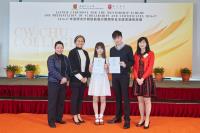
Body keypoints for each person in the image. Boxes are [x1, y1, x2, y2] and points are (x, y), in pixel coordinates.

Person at [108, 30, 134, 129]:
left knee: (125, 98)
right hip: (115, 76)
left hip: (124, 76)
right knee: (118, 97)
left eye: (118, 37)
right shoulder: (112, 50)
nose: (117, 40)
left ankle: (127, 119)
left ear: (121, 38)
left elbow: (132, 61)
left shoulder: (128, 48)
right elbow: (112, 62)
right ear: (113, 39)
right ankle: (118, 117)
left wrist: (125, 64)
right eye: (115, 38)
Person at [132, 37, 156, 129]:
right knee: (140, 100)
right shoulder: (136, 54)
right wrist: (137, 78)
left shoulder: (151, 53)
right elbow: (134, 68)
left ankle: (147, 119)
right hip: (138, 79)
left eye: (143, 42)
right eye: (140, 42)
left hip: (146, 79)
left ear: (146, 44)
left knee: (147, 100)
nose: (142, 44)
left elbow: (150, 68)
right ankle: (142, 118)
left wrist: (142, 78)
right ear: (138, 44)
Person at [47, 41, 71, 128]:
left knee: (61, 102)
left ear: (63, 48)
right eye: (58, 47)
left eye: (61, 47)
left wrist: (66, 78)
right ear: (55, 48)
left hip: (63, 83)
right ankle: (51, 121)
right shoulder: (51, 58)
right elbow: (52, 71)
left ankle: (58, 118)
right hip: (53, 83)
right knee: (53, 102)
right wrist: (62, 78)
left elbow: (68, 70)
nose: (60, 49)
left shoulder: (65, 58)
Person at [68, 35, 90, 125]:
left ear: (84, 42)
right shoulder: (72, 52)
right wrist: (81, 78)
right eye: (78, 41)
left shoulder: (85, 52)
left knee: (80, 98)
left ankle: (78, 114)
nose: (80, 42)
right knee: (75, 98)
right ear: (75, 42)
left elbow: (88, 66)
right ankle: (74, 115)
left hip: (84, 80)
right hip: (75, 80)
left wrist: (86, 77)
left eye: (82, 41)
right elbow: (72, 67)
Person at [88, 42, 111, 125]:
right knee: (95, 99)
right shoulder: (92, 58)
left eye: (101, 48)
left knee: (103, 99)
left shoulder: (106, 59)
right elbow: (90, 71)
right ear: (96, 49)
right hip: (95, 80)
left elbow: (108, 71)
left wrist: (107, 67)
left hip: (103, 80)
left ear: (103, 49)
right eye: (98, 48)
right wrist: (90, 67)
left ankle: (101, 116)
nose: (100, 50)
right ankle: (96, 116)